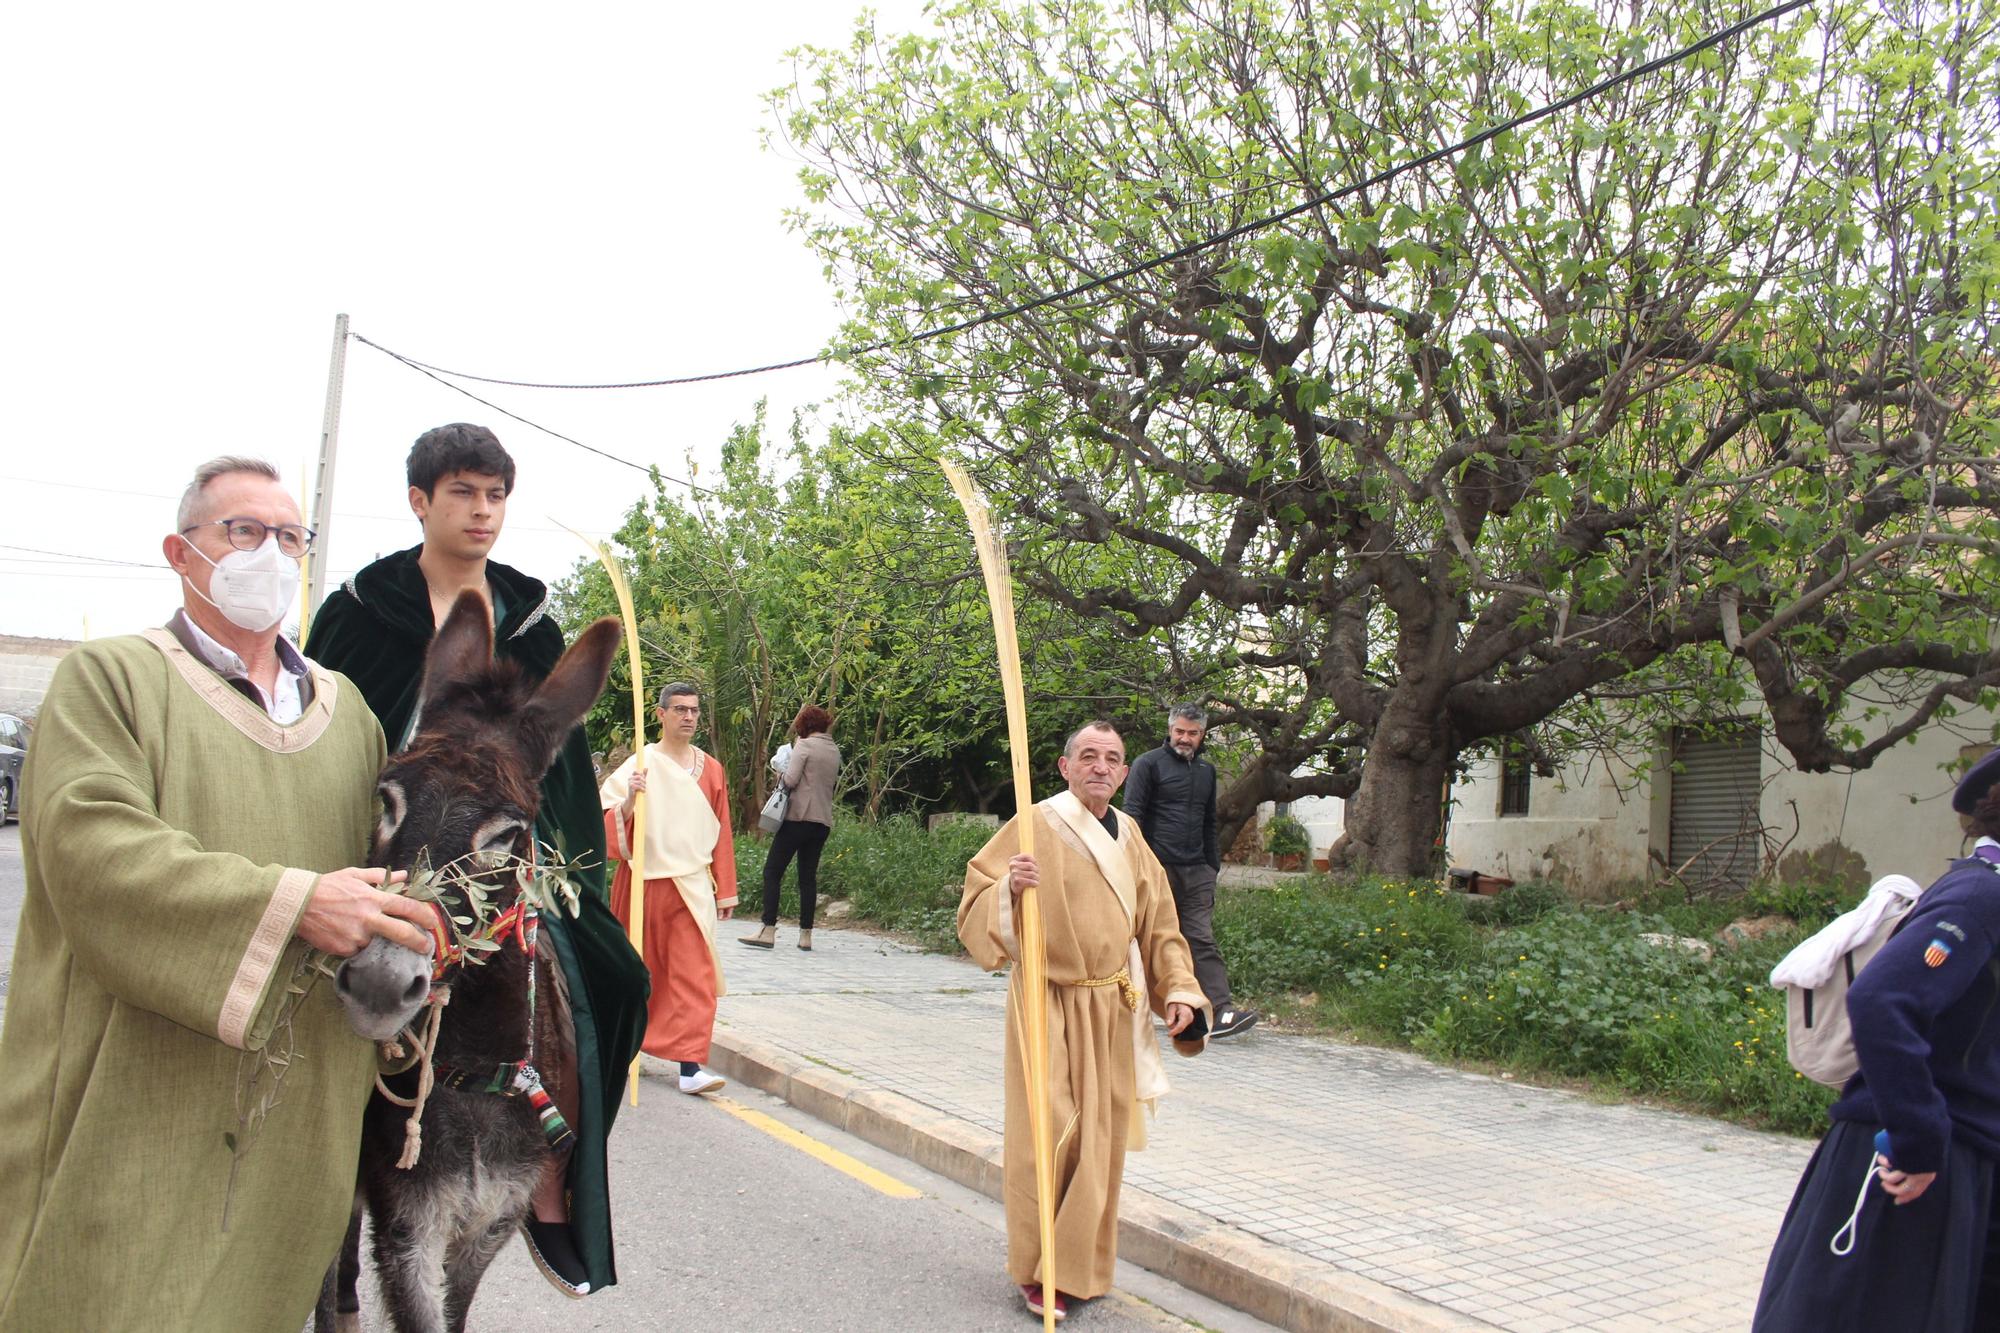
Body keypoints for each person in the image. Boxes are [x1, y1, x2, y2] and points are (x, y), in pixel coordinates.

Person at [0, 457, 437, 1330]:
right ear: (180, 550)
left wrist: (421, 919)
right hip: (133, 1096)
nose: (268, 552)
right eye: (242, 531)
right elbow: (93, 849)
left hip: (295, 1110)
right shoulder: (112, 679)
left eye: (288, 536)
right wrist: (295, 904)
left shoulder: (349, 715)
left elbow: (380, 871)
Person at [304, 423, 650, 1299]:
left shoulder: (532, 616)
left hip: (497, 860)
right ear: (421, 501)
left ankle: (550, 1178)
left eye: (496, 494)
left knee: (617, 977)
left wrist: (562, 877)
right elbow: (315, 733)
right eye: (463, 492)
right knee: (312, 993)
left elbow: (559, 768)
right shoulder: (357, 608)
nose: (483, 510)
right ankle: (314, 1193)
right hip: (372, 843)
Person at [958, 720, 1211, 1321]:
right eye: (1088, 756)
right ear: (1065, 766)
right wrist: (1009, 892)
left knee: (1099, 1142)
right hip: (1045, 995)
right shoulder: (1034, 823)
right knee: (1047, 1131)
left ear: (1125, 774)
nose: (1100, 767)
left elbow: (1161, 926)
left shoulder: (1131, 837)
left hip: (1111, 1003)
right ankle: (1036, 1267)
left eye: (1112, 759)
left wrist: (1179, 990)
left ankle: (1076, 1270)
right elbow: (975, 900)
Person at [1752, 750, 2000, 1331]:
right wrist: (1917, 1140)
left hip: (1965, 1159)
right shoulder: (1979, 896)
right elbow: (1883, 1000)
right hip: (1909, 1168)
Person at [600, 682, 736, 1095]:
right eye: (679, 710)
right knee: (636, 972)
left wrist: (725, 889)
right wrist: (629, 801)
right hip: (642, 883)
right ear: (661, 715)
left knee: (693, 974)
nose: (688, 717)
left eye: (694, 710)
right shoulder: (640, 765)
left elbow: (721, 831)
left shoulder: (711, 769)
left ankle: (690, 1066)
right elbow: (604, 819)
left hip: (692, 885)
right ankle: (622, 1051)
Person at [1124, 702, 1259, 1039]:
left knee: (1200, 937)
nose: (1185, 738)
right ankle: (1130, 1008)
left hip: (1197, 871)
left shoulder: (1206, 772)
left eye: (1193, 733)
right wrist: (1139, 864)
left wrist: (1211, 866)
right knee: (1145, 939)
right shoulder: (1147, 764)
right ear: (1170, 730)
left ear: (1202, 735)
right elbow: (1132, 816)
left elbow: (1208, 822)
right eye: (1180, 731)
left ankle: (1221, 1010)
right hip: (1157, 868)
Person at [744, 704, 840, 951]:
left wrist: (779, 771)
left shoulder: (804, 746)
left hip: (798, 819)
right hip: (822, 822)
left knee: (772, 871)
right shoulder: (833, 750)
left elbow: (791, 780)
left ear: (804, 725)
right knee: (807, 878)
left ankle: (767, 929)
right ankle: (805, 935)